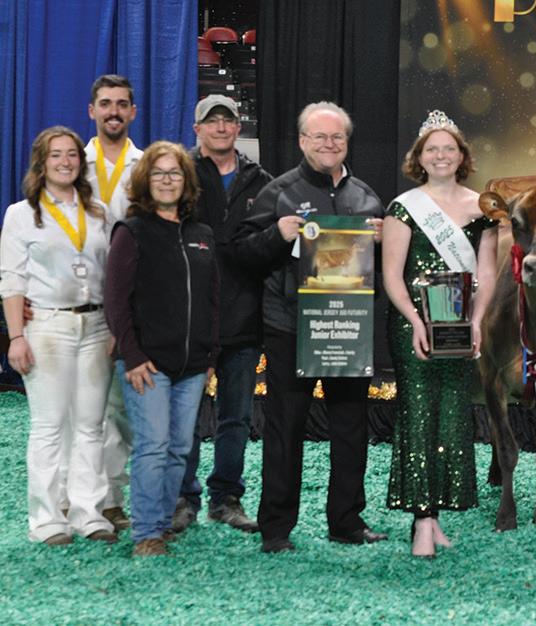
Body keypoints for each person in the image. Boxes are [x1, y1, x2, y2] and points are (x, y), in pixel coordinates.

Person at [233, 101, 387, 554]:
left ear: (347, 142)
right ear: (302, 141)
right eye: (319, 136)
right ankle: (276, 528)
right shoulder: (278, 192)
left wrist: (384, 242)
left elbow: (383, 267)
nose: (329, 144)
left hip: (348, 327)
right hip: (290, 327)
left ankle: (347, 521)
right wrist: (276, 236)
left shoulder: (367, 197)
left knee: (351, 427)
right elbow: (241, 253)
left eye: (337, 136)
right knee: (285, 428)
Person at [382, 111, 498, 558]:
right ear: (420, 157)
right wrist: (415, 321)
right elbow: (392, 275)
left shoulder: (483, 208)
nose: (441, 155)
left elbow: (487, 273)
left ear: (462, 156)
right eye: (432, 149)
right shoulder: (404, 206)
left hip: (459, 323)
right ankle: (421, 521)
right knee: (418, 413)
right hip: (413, 324)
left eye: (449, 148)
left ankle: (435, 518)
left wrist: (477, 321)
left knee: (451, 414)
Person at [1, 127, 116, 545]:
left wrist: (115, 327)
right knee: (49, 425)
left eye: (71, 154)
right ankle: (47, 519)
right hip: (47, 326)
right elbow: (11, 278)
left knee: (90, 425)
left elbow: (113, 274)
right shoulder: (21, 214)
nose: (65, 161)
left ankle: (88, 512)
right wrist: (16, 336)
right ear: (41, 162)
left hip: (96, 325)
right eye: (56, 155)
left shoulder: (99, 212)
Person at [104, 141, 218, 557]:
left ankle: (164, 522)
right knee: (152, 446)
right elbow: (116, 302)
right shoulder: (131, 232)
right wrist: (132, 356)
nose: (167, 180)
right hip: (147, 364)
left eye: (175, 173)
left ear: (186, 181)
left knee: (179, 448)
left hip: (192, 366)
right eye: (159, 173)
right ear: (145, 181)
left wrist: (210, 357)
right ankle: (146, 533)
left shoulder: (202, 235)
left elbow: (212, 300)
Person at [170, 95, 273, 534]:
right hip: (191, 318)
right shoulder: (179, 176)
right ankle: (183, 498)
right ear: (197, 129)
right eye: (211, 121)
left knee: (237, 417)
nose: (220, 127)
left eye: (227, 120)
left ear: (237, 127)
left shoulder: (261, 181)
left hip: (244, 317)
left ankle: (226, 498)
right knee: (187, 415)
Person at [85, 73, 144, 531]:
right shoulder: (71, 161)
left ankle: (111, 500)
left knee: (120, 410)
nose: (114, 112)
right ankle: (78, 498)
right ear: (92, 110)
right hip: (80, 300)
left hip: (127, 306)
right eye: (106, 103)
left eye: (122, 104)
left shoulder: (144, 167)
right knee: (80, 410)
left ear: (133, 112)